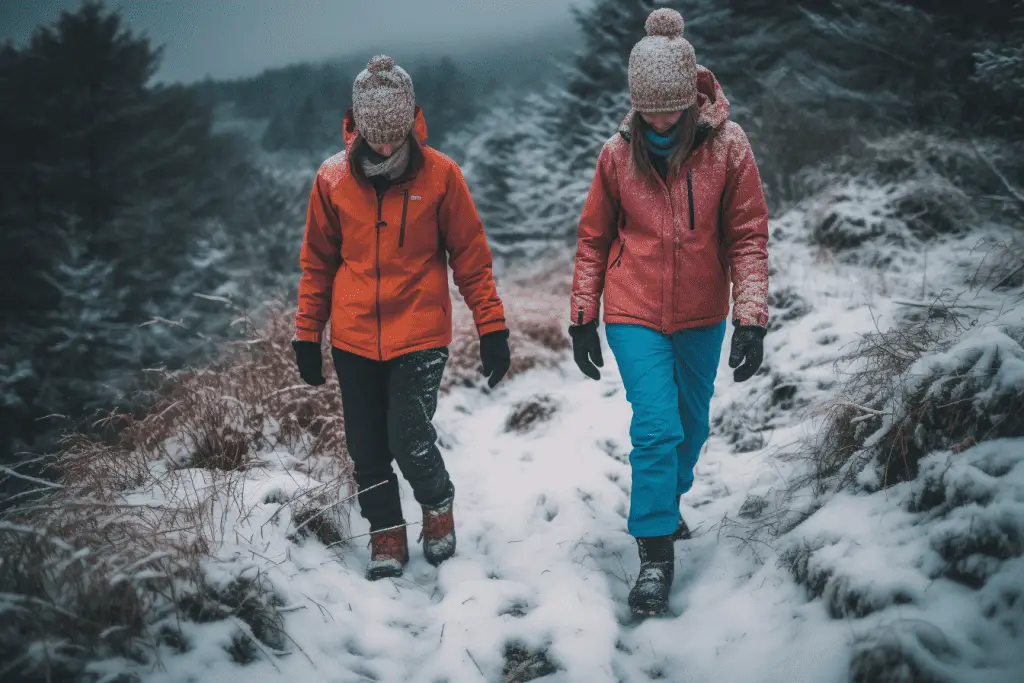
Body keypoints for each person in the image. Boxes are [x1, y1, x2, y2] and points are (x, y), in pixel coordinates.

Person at [568, 9, 769, 618]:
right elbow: (593, 240)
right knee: (655, 427)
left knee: (691, 428)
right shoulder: (616, 154)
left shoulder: (728, 149)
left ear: (689, 99)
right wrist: (583, 315)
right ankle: (654, 554)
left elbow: (747, 235)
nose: (658, 120)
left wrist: (751, 316)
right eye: (647, 108)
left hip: (702, 314)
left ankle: (665, 501)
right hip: (632, 311)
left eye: (669, 108)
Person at [291, 55, 511, 581]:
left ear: (412, 121)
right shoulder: (332, 180)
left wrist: (492, 328)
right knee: (366, 447)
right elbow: (317, 262)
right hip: (353, 336)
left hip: (420, 331)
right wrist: (306, 333)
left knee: (407, 435)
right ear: (359, 127)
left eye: (396, 134)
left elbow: (472, 259)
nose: (387, 147)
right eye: (377, 136)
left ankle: (437, 507)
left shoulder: (441, 176)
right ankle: (385, 533)